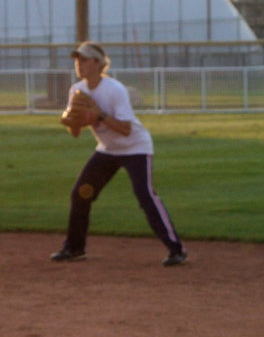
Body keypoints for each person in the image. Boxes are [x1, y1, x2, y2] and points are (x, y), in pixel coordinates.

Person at [52, 41, 187, 266]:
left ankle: (177, 249)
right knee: (81, 193)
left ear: (98, 63)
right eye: (77, 60)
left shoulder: (114, 89)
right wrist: (73, 120)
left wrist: (99, 115)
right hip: (108, 150)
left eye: (84, 59)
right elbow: (75, 132)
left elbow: (126, 129)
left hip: (136, 148)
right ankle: (75, 248)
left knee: (145, 195)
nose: (79, 64)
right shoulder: (77, 90)